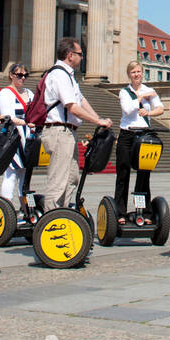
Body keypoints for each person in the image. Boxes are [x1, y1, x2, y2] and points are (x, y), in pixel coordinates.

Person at [40, 38, 110, 211]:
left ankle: (62, 213)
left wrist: (99, 119)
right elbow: (72, 106)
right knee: (59, 180)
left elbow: (80, 99)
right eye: (80, 54)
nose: (82, 58)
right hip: (59, 131)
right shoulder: (59, 75)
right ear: (70, 55)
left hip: (67, 133)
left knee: (71, 179)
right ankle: (51, 221)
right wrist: (96, 121)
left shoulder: (69, 76)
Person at [116, 61, 164, 223]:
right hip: (127, 135)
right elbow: (128, 110)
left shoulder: (150, 90)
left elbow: (160, 108)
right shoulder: (124, 92)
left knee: (144, 174)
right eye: (133, 72)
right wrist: (141, 98)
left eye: (139, 71)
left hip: (144, 135)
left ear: (142, 73)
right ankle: (120, 212)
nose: (136, 74)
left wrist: (149, 111)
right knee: (123, 173)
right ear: (129, 74)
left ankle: (144, 211)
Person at [0, 61, 32, 205]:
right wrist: (26, 123)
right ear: (11, 75)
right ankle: (7, 207)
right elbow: (7, 117)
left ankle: (25, 207)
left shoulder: (29, 93)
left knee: (25, 175)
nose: (22, 78)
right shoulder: (5, 93)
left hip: (28, 138)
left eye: (25, 75)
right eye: (19, 75)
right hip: (13, 138)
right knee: (11, 173)